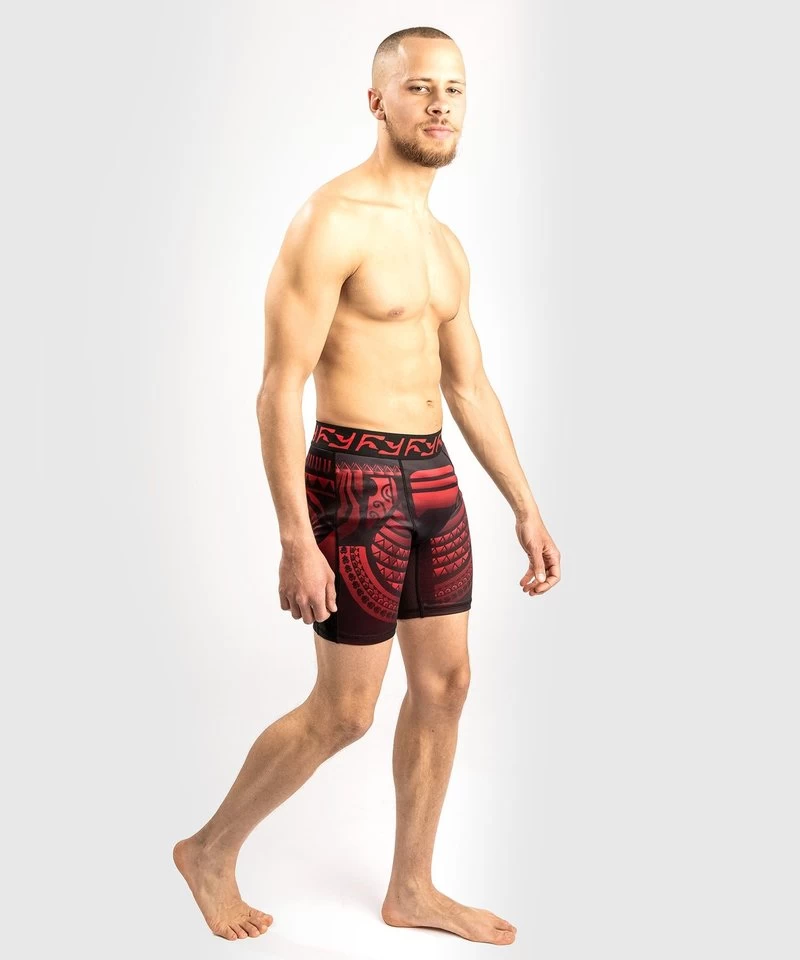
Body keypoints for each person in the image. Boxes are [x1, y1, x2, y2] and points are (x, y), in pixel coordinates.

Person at [173, 25, 560, 946]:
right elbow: (279, 389)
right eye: (420, 87)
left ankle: (412, 888)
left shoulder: (445, 245)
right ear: (378, 100)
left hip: (433, 479)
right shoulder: (331, 220)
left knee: (448, 684)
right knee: (345, 712)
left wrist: (526, 505)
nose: (440, 104)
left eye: (454, 90)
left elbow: (468, 386)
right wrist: (295, 539)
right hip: (353, 481)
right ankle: (208, 850)